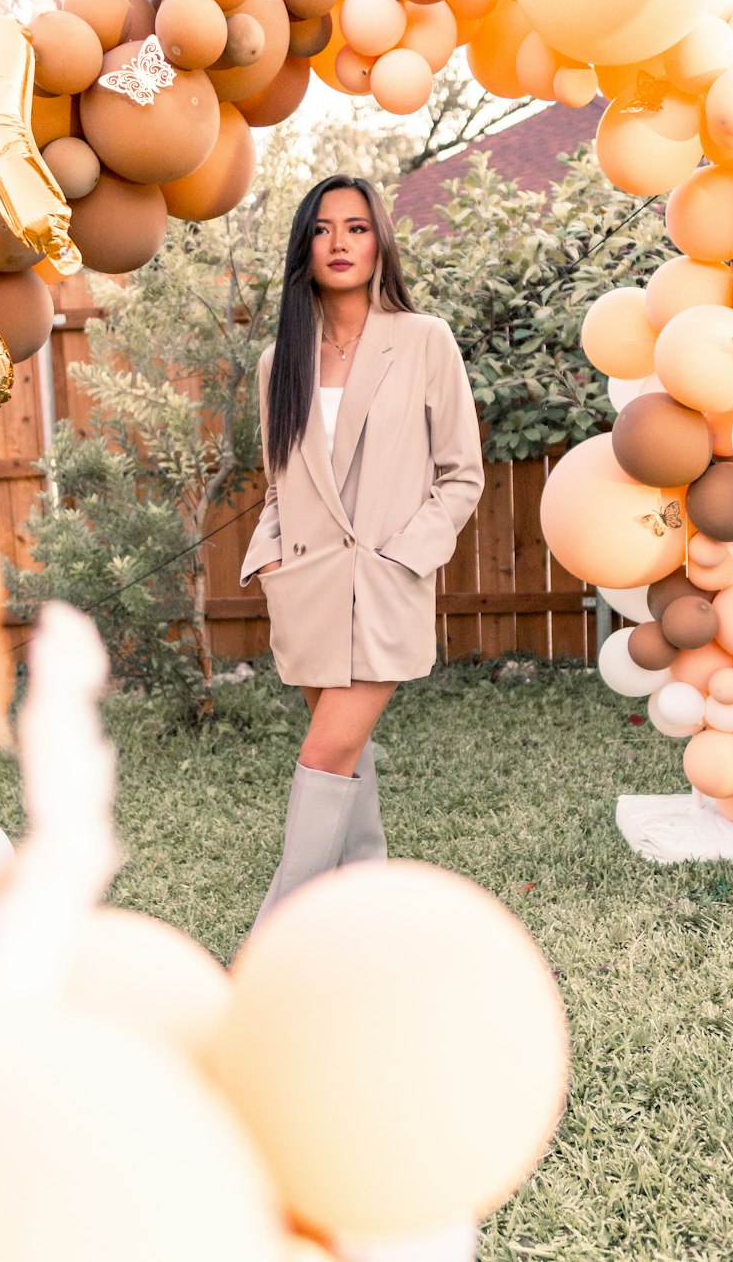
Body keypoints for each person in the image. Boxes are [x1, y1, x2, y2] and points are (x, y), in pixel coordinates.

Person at [240, 174, 484, 924]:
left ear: (379, 240)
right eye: (321, 229)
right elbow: (280, 486)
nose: (339, 243)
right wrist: (270, 561)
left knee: (323, 756)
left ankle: (279, 935)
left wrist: (404, 556)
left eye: (355, 226)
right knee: (347, 758)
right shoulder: (279, 362)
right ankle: (367, 911)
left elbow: (462, 474)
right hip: (306, 587)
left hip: (384, 587)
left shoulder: (423, 340)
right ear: (303, 247)